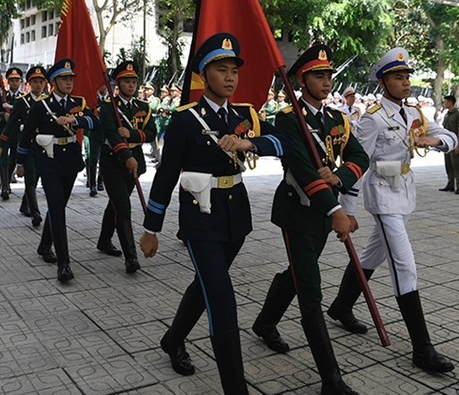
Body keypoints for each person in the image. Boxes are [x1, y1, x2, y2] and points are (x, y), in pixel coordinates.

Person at [139, 33, 286, 394]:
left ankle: (173, 339)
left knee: (205, 286)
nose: (231, 77)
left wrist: (251, 142)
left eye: (234, 70)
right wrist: (151, 227)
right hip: (199, 220)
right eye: (222, 70)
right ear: (205, 75)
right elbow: (166, 175)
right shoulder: (186, 120)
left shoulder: (244, 115)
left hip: (236, 218)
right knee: (222, 297)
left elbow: (285, 141)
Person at [327, 47, 456, 374]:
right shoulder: (373, 118)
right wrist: (348, 209)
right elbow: (357, 163)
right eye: (398, 77)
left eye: (407, 76)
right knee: (404, 266)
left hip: (405, 193)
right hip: (383, 196)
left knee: (372, 256)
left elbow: (450, 137)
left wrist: (434, 142)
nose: (406, 82)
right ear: (383, 82)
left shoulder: (414, 114)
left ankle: (341, 306)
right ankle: (422, 348)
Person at [252, 44, 368, 395]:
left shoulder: (337, 119)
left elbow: (359, 156)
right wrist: (336, 210)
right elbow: (302, 170)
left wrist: (340, 179)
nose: (326, 81)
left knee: (298, 275)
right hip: (299, 212)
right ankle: (330, 378)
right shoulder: (289, 119)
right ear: (301, 80)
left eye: (329, 75)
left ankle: (265, 321)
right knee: (311, 290)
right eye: (318, 75)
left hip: (324, 209)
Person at [16, 58, 98, 282]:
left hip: (70, 160)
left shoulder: (78, 103)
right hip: (49, 161)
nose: (69, 82)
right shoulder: (40, 106)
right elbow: (25, 136)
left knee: (59, 205)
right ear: (54, 81)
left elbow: (95, 122)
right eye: (64, 78)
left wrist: (76, 119)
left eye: (71, 78)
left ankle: (44, 245)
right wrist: (20, 162)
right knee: (57, 209)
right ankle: (64, 264)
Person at [97, 61, 156, 272]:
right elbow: (112, 136)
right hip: (114, 162)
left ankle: (104, 240)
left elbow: (151, 132)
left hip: (135, 164)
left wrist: (131, 134)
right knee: (123, 206)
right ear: (117, 83)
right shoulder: (107, 107)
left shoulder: (143, 107)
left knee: (115, 202)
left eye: (133, 82)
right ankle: (131, 257)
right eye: (126, 81)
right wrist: (126, 156)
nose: (131, 85)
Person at [0, 66, 48, 230]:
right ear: (29, 84)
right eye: (35, 82)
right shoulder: (22, 102)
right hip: (28, 146)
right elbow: (10, 125)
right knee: (31, 177)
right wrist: (1, 145)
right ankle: (36, 212)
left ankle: (25, 204)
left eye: (41, 82)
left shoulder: (49, 101)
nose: (38, 85)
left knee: (38, 176)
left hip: (45, 146)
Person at [0, 67, 23, 200]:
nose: (15, 83)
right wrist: (2, 114)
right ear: (8, 82)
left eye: (17, 80)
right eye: (12, 80)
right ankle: (5, 186)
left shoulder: (23, 97)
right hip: (4, 130)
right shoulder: (1, 96)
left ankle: (9, 179)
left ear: (20, 82)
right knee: (3, 157)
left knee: (14, 157)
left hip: (17, 130)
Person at [439, 95, 459, 194]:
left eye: (445, 102)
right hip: (447, 143)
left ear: (450, 102)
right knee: (448, 164)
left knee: (456, 165)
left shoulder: (458, 114)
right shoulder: (447, 114)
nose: (444, 104)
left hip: (454, 142)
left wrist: (458, 144)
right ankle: (450, 184)